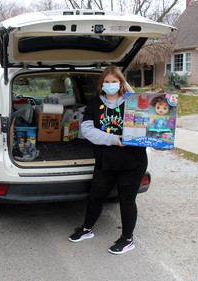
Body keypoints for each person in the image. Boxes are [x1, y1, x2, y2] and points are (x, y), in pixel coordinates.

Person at [68, 65, 148, 255]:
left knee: (127, 199)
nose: (110, 85)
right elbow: (87, 130)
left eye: (114, 81)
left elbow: (148, 125)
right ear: (102, 84)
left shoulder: (133, 102)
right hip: (105, 160)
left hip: (132, 161)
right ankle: (87, 229)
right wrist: (114, 139)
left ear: (121, 82)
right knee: (96, 196)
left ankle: (127, 239)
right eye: (107, 82)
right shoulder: (95, 104)